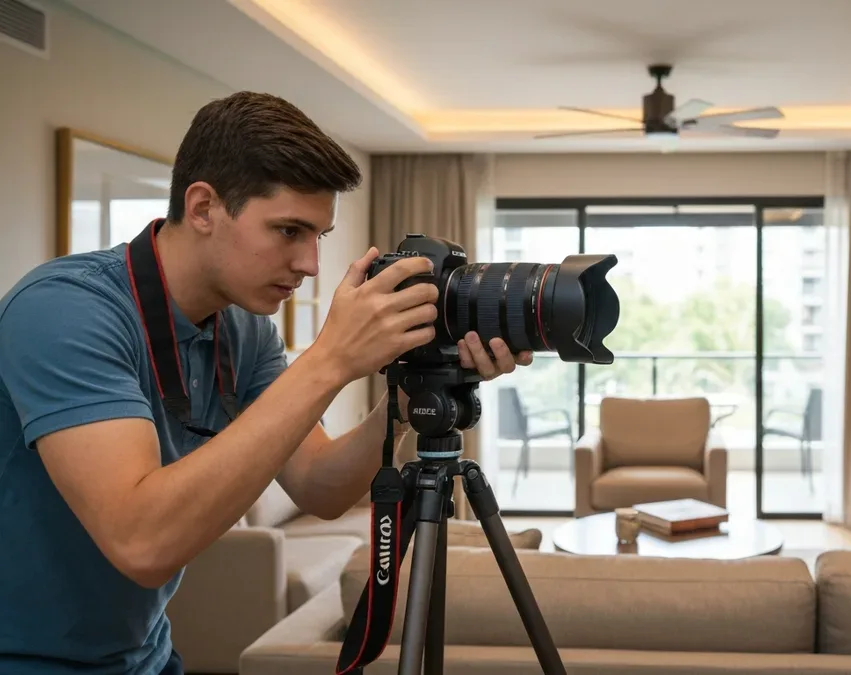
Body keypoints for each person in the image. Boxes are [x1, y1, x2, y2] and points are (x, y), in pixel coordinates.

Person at [0, 91, 531, 675]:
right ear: (203, 207)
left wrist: (405, 402)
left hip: (143, 657)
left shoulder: (244, 329)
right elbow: (142, 543)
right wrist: (331, 359)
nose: (310, 264)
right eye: (287, 231)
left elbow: (320, 488)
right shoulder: (65, 310)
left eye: (319, 237)